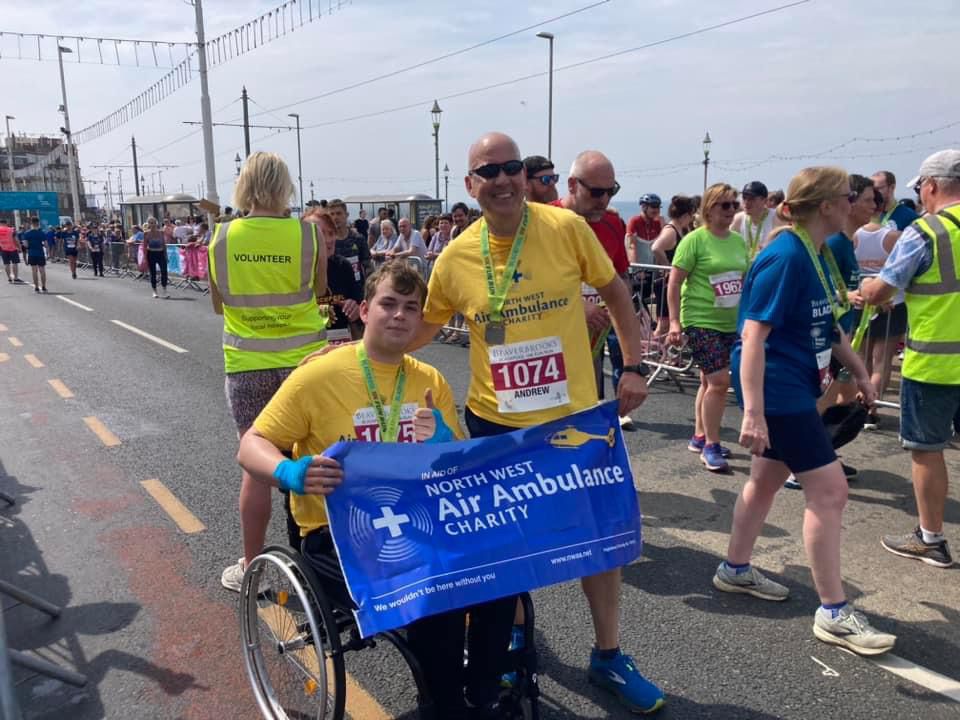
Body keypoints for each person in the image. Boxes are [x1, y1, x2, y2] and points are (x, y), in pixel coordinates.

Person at [411, 131, 664, 714]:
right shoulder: (455, 257)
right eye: (488, 171)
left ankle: (608, 655)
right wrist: (354, 350)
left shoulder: (566, 229)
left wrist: (632, 367)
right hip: (496, 426)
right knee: (504, 553)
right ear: (471, 185)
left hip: (574, 421)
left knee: (600, 545)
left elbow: (617, 293)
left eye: (512, 167)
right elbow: (421, 329)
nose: (502, 179)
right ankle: (509, 649)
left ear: (526, 176)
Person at [239, 261, 513, 719]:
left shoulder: (429, 381)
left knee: (500, 572)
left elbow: (460, 466)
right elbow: (252, 444)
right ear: (365, 311)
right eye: (389, 304)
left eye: (411, 307)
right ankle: (446, 707)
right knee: (435, 588)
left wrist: (444, 440)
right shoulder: (319, 376)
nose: (400, 316)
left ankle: (483, 692)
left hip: (421, 520)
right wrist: (290, 472)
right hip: (340, 534)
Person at [720, 166, 895, 656]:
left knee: (767, 479)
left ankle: (734, 568)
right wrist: (753, 411)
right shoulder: (785, 256)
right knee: (830, 490)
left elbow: (830, 327)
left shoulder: (814, 251)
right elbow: (753, 335)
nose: (859, 204)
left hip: (793, 384)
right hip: (779, 391)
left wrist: (860, 373)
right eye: (850, 197)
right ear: (825, 206)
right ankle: (834, 612)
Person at [210, 151, 329, 593]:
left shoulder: (221, 238)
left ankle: (251, 566)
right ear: (285, 186)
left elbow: (219, 302)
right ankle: (334, 557)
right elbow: (319, 289)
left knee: (257, 466)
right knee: (319, 457)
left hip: (248, 362)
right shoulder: (307, 235)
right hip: (306, 361)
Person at [861, 149, 960, 569]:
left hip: (935, 363)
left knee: (926, 450)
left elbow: (884, 289)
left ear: (932, 186)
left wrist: (862, 290)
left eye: (920, 188)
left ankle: (930, 538)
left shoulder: (927, 231)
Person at [666, 184, 748, 472]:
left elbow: (744, 279)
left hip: (730, 321)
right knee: (719, 383)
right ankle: (712, 445)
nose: (731, 210)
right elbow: (674, 283)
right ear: (708, 209)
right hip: (700, 320)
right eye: (724, 205)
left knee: (707, 382)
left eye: (734, 204)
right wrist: (674, 322)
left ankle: (700, 436)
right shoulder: (694, 241)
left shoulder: (738, 241)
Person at [553, 150, 637, 428]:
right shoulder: (545, 219)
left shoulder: (612, 222)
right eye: (596, 192)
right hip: (550, 340)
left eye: (611, 191)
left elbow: (621, 276)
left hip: (594, 334)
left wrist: (633, 366)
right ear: (572, 185)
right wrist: (577, 304)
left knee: (589, 408)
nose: (604, 200)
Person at [306, 208, 363, 345]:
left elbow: (359, 311)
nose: (328, 240)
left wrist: (355, 309)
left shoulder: (343, 266)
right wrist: (321, 312)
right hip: (306, 348)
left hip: (340, 346)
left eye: (331, 233)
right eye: (320, 234)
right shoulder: (296, 269)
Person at [649, 195, 697, 338]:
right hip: (665, 282)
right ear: (686, 214)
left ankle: (665, 353)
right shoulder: (671, 231)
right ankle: (654, 354)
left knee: (671, 323)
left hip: (673, 282)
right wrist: (668, 268)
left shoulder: (682, 230)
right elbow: (656, 247)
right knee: (663, 324)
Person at [731, 181, 782, 260]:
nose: (746, 202)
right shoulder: (738, 219)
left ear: (764, 201)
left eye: (752, 199)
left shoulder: (776, 218)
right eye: (744, 197)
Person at [327, 198, 373, 285]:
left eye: (339, 213)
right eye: (332, 214)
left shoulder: (358, 239)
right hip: (334, 292)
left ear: (346, 215)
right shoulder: (326, 242)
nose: (335, 217)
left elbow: (368, 267)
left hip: (357, 290)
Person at [626, 193, 663, 264]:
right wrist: (637, 269)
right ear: (644, 207)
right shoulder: (635, 221)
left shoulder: (657, 223)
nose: (657, 210)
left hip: (653, 269)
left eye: (658, 207)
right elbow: (631, 246)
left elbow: (661, 247)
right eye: (654, 206)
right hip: (637, 269)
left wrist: (663, 225)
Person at [142, 217, 170, 298]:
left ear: (156, 223)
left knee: (164, 271)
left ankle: (164, 289)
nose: (152, 224)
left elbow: (164, 245)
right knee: (153, 273)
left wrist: (166, 255)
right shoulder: (146, 234)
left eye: (153, 222)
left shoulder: (161, 232)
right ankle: (154, 291)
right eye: (150, 223)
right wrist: (144, 257)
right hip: (151, 254)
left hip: (161, 253)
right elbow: (144, 246)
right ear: (148, 224)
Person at [21, 217, 48, 293]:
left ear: (31, 223)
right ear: (38, 223)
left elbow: (25, 245)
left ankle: (36, 287)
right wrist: (48, 253)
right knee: (42, 270)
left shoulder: (27, 233)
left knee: (34, 271)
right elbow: (46, 244)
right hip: (40, 253)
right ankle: (44, 287)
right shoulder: (41, 233)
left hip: (32, 254)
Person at [0, 219, 23, 284]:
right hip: (12, 248)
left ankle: (9, 278)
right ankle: (15, 278)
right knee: (15, 263)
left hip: (3, 249)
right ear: (6, 223)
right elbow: (16, 240)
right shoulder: (11, 229)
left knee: (6, 264)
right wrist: (19, 247)